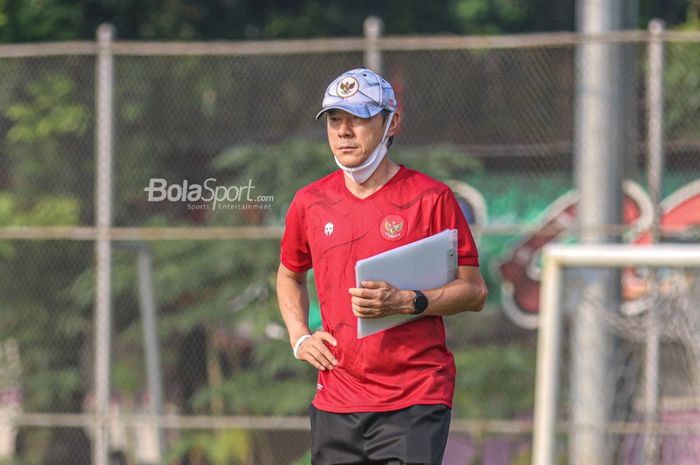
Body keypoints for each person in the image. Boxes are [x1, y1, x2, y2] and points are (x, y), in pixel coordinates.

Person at [276, 68, 488, 465]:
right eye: (335, 120)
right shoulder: (309, 202)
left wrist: (409, 301)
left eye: (358, 118)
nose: (343, 131)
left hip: (415, 398)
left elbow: (474, 292)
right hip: (336, 400)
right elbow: (289, 274)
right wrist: (299, 336)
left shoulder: (432, 198)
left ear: (392, 122)